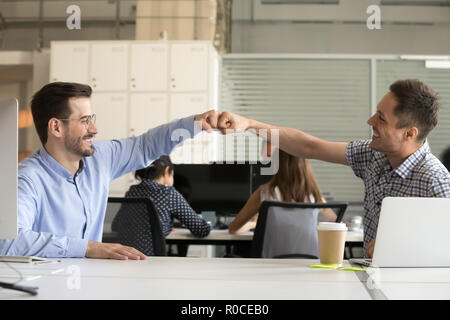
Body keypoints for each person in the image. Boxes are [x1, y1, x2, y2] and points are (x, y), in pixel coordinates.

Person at [217, 79, 450, 258]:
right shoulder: (373, 154)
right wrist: (248, 124)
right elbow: (309, 146)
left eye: (381, 118)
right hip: (368, 278)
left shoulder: (435, 180)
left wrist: (400, 246)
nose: (370, 122)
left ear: (409, 133)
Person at [0, 82, 219, 260]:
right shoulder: (26, 178)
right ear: (56, 127)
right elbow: (8, 241)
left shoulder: (100, 158)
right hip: (47, 288)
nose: (94, 129)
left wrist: (197, 124)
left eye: (92, 120)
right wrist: (87, 248)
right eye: (85, 121)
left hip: (93, 281)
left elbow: (146, 145)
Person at [111, 156, 211, 256]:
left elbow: (115, 226)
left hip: (126, 258)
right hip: (152, 261)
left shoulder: (132, 192)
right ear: (166, 171)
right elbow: (201, 230)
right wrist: (211, 223)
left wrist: (161, 226)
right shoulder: (169, 194)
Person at [228, 149, 337, 234]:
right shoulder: (314, 195)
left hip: (272, 259)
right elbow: (335, 223)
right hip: (309, 259)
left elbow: (233, 229)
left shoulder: (264, 193)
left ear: (276, 164)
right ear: (305, 166)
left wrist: (253, 224)